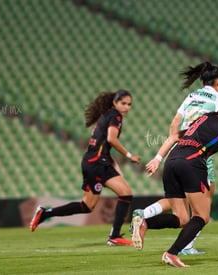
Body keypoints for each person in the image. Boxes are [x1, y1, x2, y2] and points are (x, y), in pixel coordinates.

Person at [133, 104, 218, 267]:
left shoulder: (204, 118)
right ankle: (171, 254)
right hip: (191, 163)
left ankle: (145, 223)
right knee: (202, 216)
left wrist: (157, 158)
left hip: (171, 161)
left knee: (182, 218)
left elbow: (175, 136)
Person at [131, 62, 218, 254]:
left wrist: (161, 154)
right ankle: (187, 246)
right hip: (199, 154)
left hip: (177, 151)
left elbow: (174, 124)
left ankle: (145, 217)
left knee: (180, 210)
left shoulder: (191, 96)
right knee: (204, 205)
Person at [30, 90, 141, 246]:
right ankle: (46, 213)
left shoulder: (106, 116)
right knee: (88, 205)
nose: (127, 107)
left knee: (125, 194)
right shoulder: (115, 116)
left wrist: (116, 169)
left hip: (98, 161)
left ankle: (114, 236)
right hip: (96, 163)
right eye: (123, 103)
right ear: (115, 103)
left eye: (129, 104)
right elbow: (111, 139)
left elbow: (104, 146)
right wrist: (130, 155)